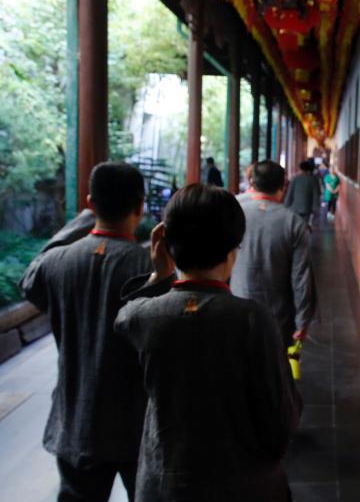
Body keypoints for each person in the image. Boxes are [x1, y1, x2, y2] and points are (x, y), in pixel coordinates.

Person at [114, 184, 301, 502]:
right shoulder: (252, 320)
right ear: (233, 252)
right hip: (242, 485)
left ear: (166, 246)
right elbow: (279, 421)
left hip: (164, 484)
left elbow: (125, 319)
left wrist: (159, 276)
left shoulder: (140, 317)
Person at [19, 162, 152, 502]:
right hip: (133, 424)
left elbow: (30, 280)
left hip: (75, 420)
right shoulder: (146, 268)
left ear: (91, 203)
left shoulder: (55, 263)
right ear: (140, 205)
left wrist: (77, 224)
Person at [231, 160, 316, 347]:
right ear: (283, 185)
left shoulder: (233, 212)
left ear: (252, 182)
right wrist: (302, 321)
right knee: (272, 369)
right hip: (277, 318)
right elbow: (301, 278)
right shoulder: (293, 223)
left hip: (234, 309)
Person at [283, 160, 322, 224]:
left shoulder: (295, 178)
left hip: (294, 208)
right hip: (307, 208)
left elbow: (290, 193)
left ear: (300, 169)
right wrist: (316, 209)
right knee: (303, 226)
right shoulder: (314, 179)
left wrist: (286, 205)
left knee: (294, 225)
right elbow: (316, 195)